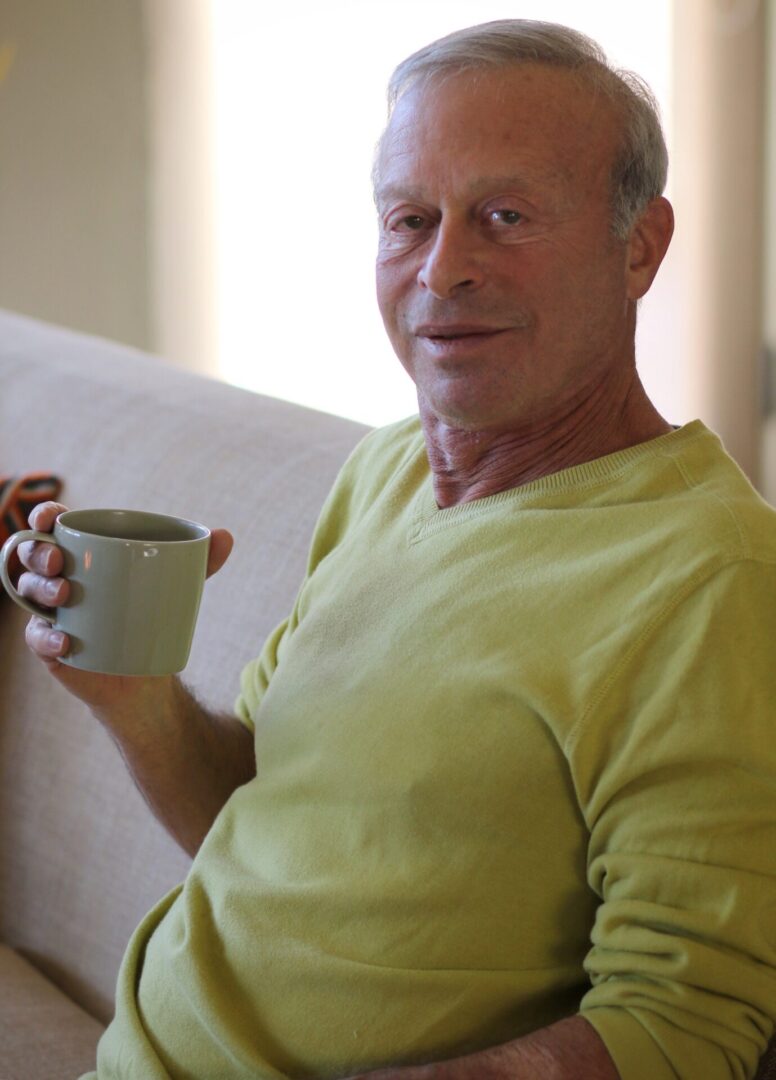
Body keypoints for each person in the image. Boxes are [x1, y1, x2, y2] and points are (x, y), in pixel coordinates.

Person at [16, 19, 776, 1080]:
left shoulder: (710, 575)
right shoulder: (387, 473)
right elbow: (264, 826)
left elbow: (686, 1023)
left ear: (638, 244)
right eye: (408, 219)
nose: (443, 269)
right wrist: (132, 695)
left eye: (505, 217)